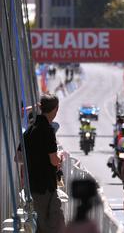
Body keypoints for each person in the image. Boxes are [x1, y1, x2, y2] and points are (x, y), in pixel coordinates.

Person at [23, 93, 65, 233]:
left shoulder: (30, 129)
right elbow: (54, 160)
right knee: (56, 225)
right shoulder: (47, 130)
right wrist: (59, 157)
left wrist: (34, 157)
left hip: (32, 185)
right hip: (46, 187)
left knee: (41, 225)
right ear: (56, 109)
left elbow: (18, 157)